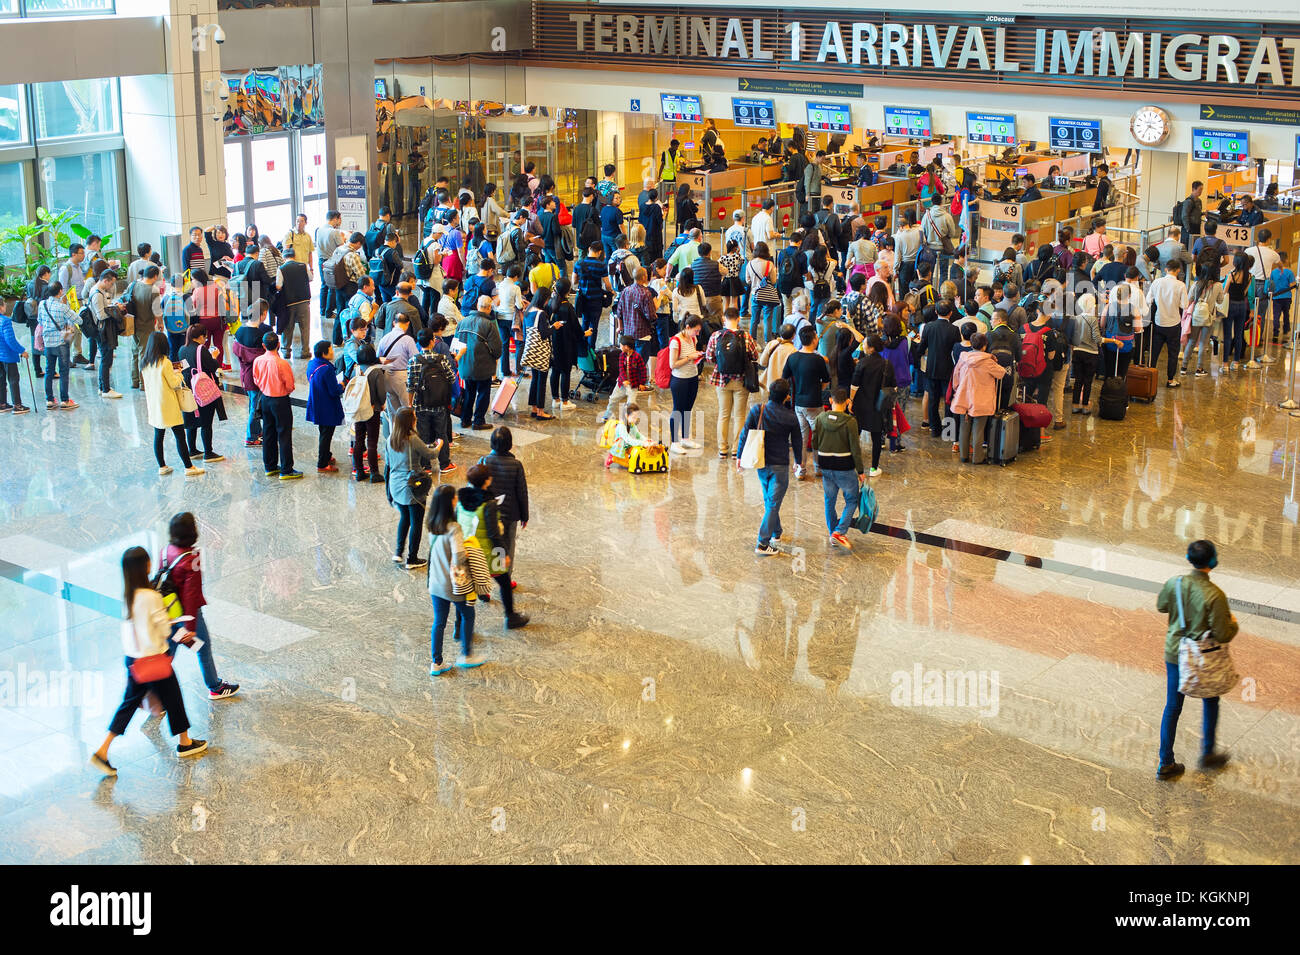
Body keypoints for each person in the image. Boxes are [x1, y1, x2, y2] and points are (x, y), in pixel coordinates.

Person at [90, 546, 208, 774]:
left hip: (134, 660)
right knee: (174, 699)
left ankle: (103, 750)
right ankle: (184, 743)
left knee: (128, 704)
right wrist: (171, 621)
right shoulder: (151, 597)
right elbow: (164, 629)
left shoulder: (128, 596)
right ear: (144, 567)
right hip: (154, 660)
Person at [1154, 540, 1237, 780]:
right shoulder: (1215, 595)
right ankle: (1208, 753)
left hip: (1175, 652)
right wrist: (1234, 624)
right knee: (1211, 700)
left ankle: (1165, 762)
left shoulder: (1175, 583)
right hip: (1202, 658)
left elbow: (1161, 606)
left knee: (1172, 707)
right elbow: (1222, 634)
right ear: (1212, 562)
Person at [161, 511, 239, 701]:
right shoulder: (191, 558)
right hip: (186, 616)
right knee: (202, 648)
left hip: (168, 612)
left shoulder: (165, 551)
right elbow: (191, 595)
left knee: (169, 648)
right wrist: (190, 628)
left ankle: (157, 689)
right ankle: (215, 687)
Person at [458, 463, 529, 629]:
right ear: (487, 481)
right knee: (504, 581)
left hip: (466, 550)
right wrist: (504, 553)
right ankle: (511, 617)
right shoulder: (488, 504)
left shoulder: (461, 500)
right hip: (487, 553)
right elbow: (493, 534)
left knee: (464, 589)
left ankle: (459, 625)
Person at [738, 379, 803, 556]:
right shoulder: (790, 416)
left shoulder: (758, 410)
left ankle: (776, 533)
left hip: (761, 462)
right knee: (773, 504)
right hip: (780, 465)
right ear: (786, 397)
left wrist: (739, 456)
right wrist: (798, 461)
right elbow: (797, 441)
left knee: (770, 501)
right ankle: (762, 543)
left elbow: (745, 432)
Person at [425, 485, 485, 675]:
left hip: (435, 583)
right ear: (450, 502)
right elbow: (458, 556)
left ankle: (437, 663)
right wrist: (468, 552)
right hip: (453, 584)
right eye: (454, 498)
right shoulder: (454, 528)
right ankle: (466, 655)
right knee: (468, 614)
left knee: (439, 622)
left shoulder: (432, 525)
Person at [140, 332, 202, 476]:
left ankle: (162, 466)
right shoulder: (165, 362)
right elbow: (174, 384)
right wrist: (179, 372)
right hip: (168, 404)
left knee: (158, 435)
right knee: (180, 436)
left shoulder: (145, 362)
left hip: (154, 404)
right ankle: (189, 467)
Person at [812, 386, 865, 549]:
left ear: (830, 400)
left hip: (825, 465)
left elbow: (814, 442)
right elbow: (855, 449)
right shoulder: (850, 422)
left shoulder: (820, 418)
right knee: (852, 499)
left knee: (830, 500)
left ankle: (832, 532)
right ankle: (839, 532)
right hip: (844, 466)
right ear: (847, 402)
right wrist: (861, 471)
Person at [386, 407, 439, 569]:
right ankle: (412, 558)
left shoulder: (390, 439)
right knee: (416, 522)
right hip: (412, 487)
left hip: (395, 485)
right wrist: (440, 445)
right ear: (410, 422)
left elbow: (387, 466)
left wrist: (388, 491)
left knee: (405, 518)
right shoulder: (412, 439)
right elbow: (431, 454)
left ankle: (398, 552)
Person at [706, 307, 760, 459]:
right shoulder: (746, 336)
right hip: (741, 380)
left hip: (722, 379)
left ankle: (722, 449)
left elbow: (709, 358)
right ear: (738, 318)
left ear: (724, 318)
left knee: (723, 415)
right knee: (739, 416)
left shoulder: (716, 336)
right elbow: (754, 355)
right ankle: (737, 449)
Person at [948, 332, 1008, 464]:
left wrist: (958, 390)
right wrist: (993, 359)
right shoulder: (988, 362)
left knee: (964, 428)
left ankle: (963, 456)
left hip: (963, 398)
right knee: (978, 430)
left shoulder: (963, 358)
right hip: (982, 400)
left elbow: (956, 377)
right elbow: (1001, 373)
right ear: (985, 346)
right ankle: (977, 458)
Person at [477, 426, 529, 579]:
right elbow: (522, 492)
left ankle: (485, 578)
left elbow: (475, 487)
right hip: (510, 514)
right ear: (510, 445)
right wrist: (524, 516)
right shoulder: (516, 465)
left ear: (491, 443)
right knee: (507, 545)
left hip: (488, 513)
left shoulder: (484, 461)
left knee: (487, 544)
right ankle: (505, 578)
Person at [252, 332, 301, 479]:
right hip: (280, 400)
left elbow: (256, 380)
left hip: (265, 399)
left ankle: (270, 466)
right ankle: (286, 469)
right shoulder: (282, 363)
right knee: (284, 434)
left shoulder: (258, 360)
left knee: (268, 433)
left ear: (263, 345)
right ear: (278, 345)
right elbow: (290, 385)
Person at [784, 324, 831, 478]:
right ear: (813, 340)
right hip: (815, 403)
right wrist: (819, 389)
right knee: (818, 437)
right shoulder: (818, 360)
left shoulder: (792, 357)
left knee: (801, 438)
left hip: (798, 403)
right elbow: (826, 380)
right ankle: (818, 468)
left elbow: (784, 378)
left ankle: (801, 469)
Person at [408, 330, 458, 474]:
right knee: (441, 433)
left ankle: (426, 466)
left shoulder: (414, 360)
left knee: (423, 434)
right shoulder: (442, 359)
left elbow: (410, 386)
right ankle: (444, 464)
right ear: (432, 341)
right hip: (439, 404)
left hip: (421, 404)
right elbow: (452, 378)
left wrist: (410, 405)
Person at [178, 325, 226, 463]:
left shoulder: (182, 349)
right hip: (202, 390)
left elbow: (185, 368)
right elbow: (212, 367)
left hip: (188, 389)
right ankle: (208, 453)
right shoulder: (201, 350)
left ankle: (192, 450)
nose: (205, 339)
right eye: (204, 336)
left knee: (191, 421)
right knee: (206, 422)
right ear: (199, 336)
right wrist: (214, 357)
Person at [455, 295, 503, 431]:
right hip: (483, 366)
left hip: (465, 365)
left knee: (468, 392)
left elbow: (456, 344)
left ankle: (465, 419)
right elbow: (497, 349)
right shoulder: (489, 325)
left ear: (477, 306)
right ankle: (478, 421)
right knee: (483, 393)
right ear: (489, 308)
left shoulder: (462, 322)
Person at [916, 304, 961, 439]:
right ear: (951, 313)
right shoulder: (954, 329)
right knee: (948, 401)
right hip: (948, 369)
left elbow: (921, 347)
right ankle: (949, 432)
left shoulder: (929, 327)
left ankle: (935, 429)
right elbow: (957, 348)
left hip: (932, 368)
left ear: (936, 312)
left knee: (933, 400)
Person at [1146, 259, 1190, 388]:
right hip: (1174, 323)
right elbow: (1184, 305)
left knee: (1154, 352)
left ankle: (1150, 375)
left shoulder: (1157, 282)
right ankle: (1170, 380)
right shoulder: (1181, 285)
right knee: (1173, 354)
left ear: (1166, 269)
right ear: (1178, 270)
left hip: (1159, 321)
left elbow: (1149, 300)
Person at [665, 315, 703, 453]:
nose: (697, 334)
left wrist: (697, 355)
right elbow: (673, 364)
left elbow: (692, 356)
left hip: (692, 377)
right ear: (687, 327)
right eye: (696, 330)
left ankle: (685, 439)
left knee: (687, 409)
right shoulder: (676, 341)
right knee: (678, 410)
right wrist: (689, 358)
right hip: (680, 380)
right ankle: (674, 441)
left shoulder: (693, 338)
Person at [306, 339, 344, 473]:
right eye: (331, 349)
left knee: (323, 432)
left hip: (317, 402)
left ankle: (327, 455)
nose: (333, 352)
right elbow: (334, 391)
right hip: (327, 406)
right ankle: (322, 464)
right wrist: (342, 386)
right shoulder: (327, 369)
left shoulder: (312, 363)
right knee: (326, 435)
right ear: (324, 353)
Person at [86, 268, 125, 399]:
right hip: (102, 331)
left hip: (102, 330)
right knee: (106, 359)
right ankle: (106, 390)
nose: (112, 286)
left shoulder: (99, 291)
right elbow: (101, 315)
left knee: (105, 358)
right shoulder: (97, 294)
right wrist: (116, 309)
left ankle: (103, 386)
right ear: (105, 280)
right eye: (111, 283)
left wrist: (112, 306)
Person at [350, 343, 386, 482]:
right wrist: (381, 405)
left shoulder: (356, 369)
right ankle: (374, 473)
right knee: (372, 442)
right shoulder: (376, 372)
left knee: (358, 440)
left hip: (359, 410)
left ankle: (359, 471)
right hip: (372, 410)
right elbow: (381, 394)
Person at [546, 279, 583, 412]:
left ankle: (555, 399)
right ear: (568, 291)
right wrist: (585, 334)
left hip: (553, 343)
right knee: (565, 372)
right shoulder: (567, 307)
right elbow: (576, 328)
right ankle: (565, 401)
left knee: (555, 370)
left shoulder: (551, 303)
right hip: (566, 344)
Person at [599, 334, 653, 424]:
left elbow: (643, 370)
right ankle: (606, 416)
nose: (620, 347)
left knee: (631, 403)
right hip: (621, 384)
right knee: (613, 399)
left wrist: (642, 383)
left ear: (627, 347)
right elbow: (621, 369)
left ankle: (632, 419)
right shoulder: (621, 356)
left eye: (621, 345)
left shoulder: (637, 357)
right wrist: (624, 379)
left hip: (633, 385)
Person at [1069, 294, 1103, 414]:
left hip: (1077, 352)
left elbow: (1072, 336)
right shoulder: (1093, 320)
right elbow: (1097, 339)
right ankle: (1085, 405)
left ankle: (1075, 405)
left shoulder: (1075, 318)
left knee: (1078, 380)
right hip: (1091, 353)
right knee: (1088, 381)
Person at [0, 300, 31, 414]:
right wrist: (22, 351)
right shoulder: (5, 321)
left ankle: (2, 403)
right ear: (1, 307)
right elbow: (10, 340)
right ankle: (17, 405)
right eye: (4, 305)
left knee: (1, 380)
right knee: (13, 380)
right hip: (8, 356)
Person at [1224, 254, 1252, 369]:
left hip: (1230, 305)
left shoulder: (1231, 275)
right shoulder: (1250, 276)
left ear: (1235, 262)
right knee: (1239, 334)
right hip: (1242, 306)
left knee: (1227, 335)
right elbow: (1245, 293)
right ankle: (1235, 362)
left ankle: (1225, 363)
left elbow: (1225, 291)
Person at [1268, 251, 1295, 344]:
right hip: (1286, 297)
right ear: (1286, 260)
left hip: (1276, 297)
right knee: (1286, 314)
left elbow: (1271, 284)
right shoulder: (1289, 272)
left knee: (1276, 315)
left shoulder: (1273, 272)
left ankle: (1275, 333)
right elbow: (1292, 284)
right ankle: (1286, 330)